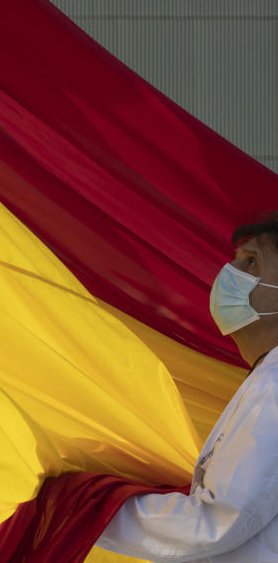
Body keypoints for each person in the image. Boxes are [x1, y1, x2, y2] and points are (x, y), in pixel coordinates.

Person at [97, 215, 278, 561]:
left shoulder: (274, 383)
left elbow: (216, 523)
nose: (229, 274)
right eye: (235, 260)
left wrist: (84, 509)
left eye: (252, 262)